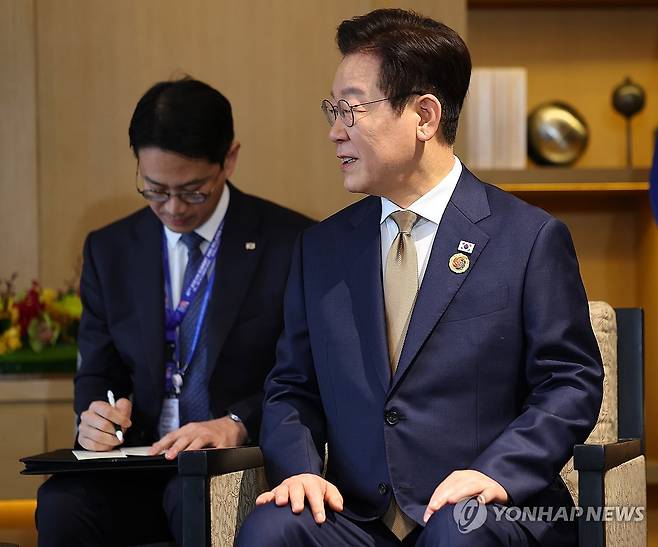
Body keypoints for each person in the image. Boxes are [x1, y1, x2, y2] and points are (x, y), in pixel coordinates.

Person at [236, 9, 603, 547]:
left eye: (352, 109)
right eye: (332, 110)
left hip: (487, 510)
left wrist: (497, 473)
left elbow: (570, 382)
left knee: (459, 532)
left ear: (425, 116)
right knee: (273, 529)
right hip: (360, 518)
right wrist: (299, 471)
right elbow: (291, 388)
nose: (335, 131)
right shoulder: (322, 248)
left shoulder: (528, 238)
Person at [36, 77, 313, 547]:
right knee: (62, 503)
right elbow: (97, 371)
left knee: (195, 503)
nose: (173, 208)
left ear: (229, 159)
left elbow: (304, 371)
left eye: (192, 191)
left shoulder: (290, 243)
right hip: (139, 457)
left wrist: (236, 423)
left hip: (229, 463)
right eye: (154, 190)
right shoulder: (109, 249)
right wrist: (97, 415)